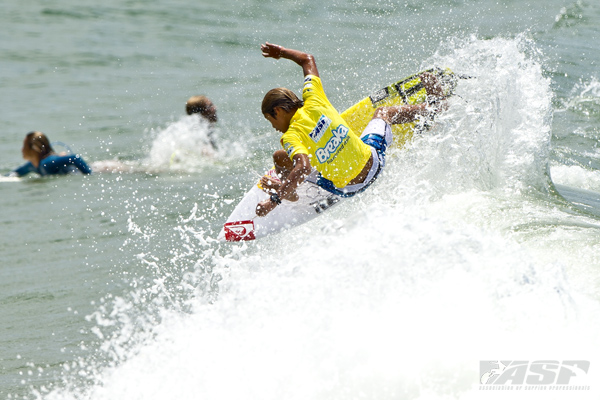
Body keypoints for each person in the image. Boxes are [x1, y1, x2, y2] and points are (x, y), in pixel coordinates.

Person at [255, 42, 446, 217]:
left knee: (281, 156)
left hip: (347, 188)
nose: (273, 127)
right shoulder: (314, 98)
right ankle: (434, 108)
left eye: (270, 120)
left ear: (277, 111)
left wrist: (273, 201)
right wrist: (280, 53)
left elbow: (303, 167)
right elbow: (307, 59)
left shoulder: (291, 137)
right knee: (383, 112)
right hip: (374, 163)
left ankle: (289, 192)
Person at [8, 131, 92, 177]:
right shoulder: (32, 165)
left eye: (24, 146)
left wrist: (89, 175)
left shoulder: (48, 162)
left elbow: (75, 158)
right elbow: (16, 173)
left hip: (97, 169)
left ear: (34, 148)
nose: (22, 149)